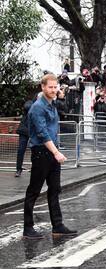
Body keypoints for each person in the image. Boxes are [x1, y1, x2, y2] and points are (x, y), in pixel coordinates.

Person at [23, 74, 77, 239]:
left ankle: (58, 225)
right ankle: (28, 228)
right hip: (41, 152)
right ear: (43, 87)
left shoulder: (52, 104)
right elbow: (42, 133)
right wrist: (56, 152)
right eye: (51, 87)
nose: (54, 90)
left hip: (52, 152)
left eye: (56, 87)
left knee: (54, 189)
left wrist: (55, 152)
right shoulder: (38, 107)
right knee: (34, 190)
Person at [15, 98, 34, 177]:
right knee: (21, 150)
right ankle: (18, 169)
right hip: (24, 130)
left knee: (35, 151)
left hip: (34, 131)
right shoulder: (30, 102)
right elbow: (27, 106)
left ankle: (34, 168)